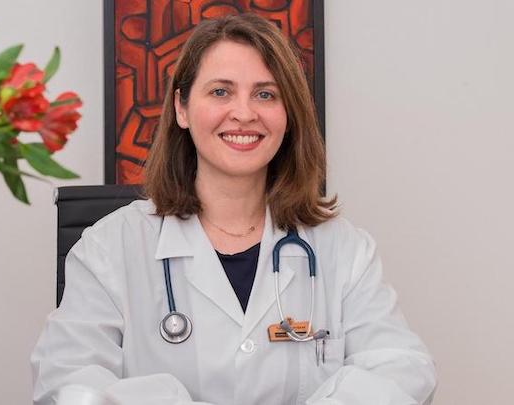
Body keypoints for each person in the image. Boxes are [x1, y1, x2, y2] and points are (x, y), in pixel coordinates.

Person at [31, 13, 436, 405]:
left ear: (288, 115)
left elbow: (402, 368)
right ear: (182, 108)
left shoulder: (343, 249)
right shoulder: (110, 247)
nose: (244, 113)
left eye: (265, 94)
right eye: (220, 92)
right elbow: (68, 382)